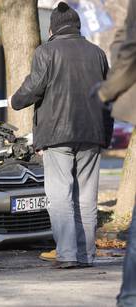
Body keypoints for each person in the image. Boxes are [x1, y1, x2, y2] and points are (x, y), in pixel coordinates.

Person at [9, 2, 112, 269]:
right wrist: (106, 136)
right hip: (92, 135)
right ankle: (87, 255)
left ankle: (67, 254)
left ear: (52, 27)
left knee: (60, 196)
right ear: (77, 26)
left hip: (57, 135)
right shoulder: (98, 54)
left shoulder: (46, 51)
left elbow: (33, 88)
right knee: (87, 198)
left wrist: (15, 100)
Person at [94, 0, 136, 305]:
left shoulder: (44, 54)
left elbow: (130, 49)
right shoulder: (94, 53)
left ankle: (131, 297)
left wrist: (106, 92)